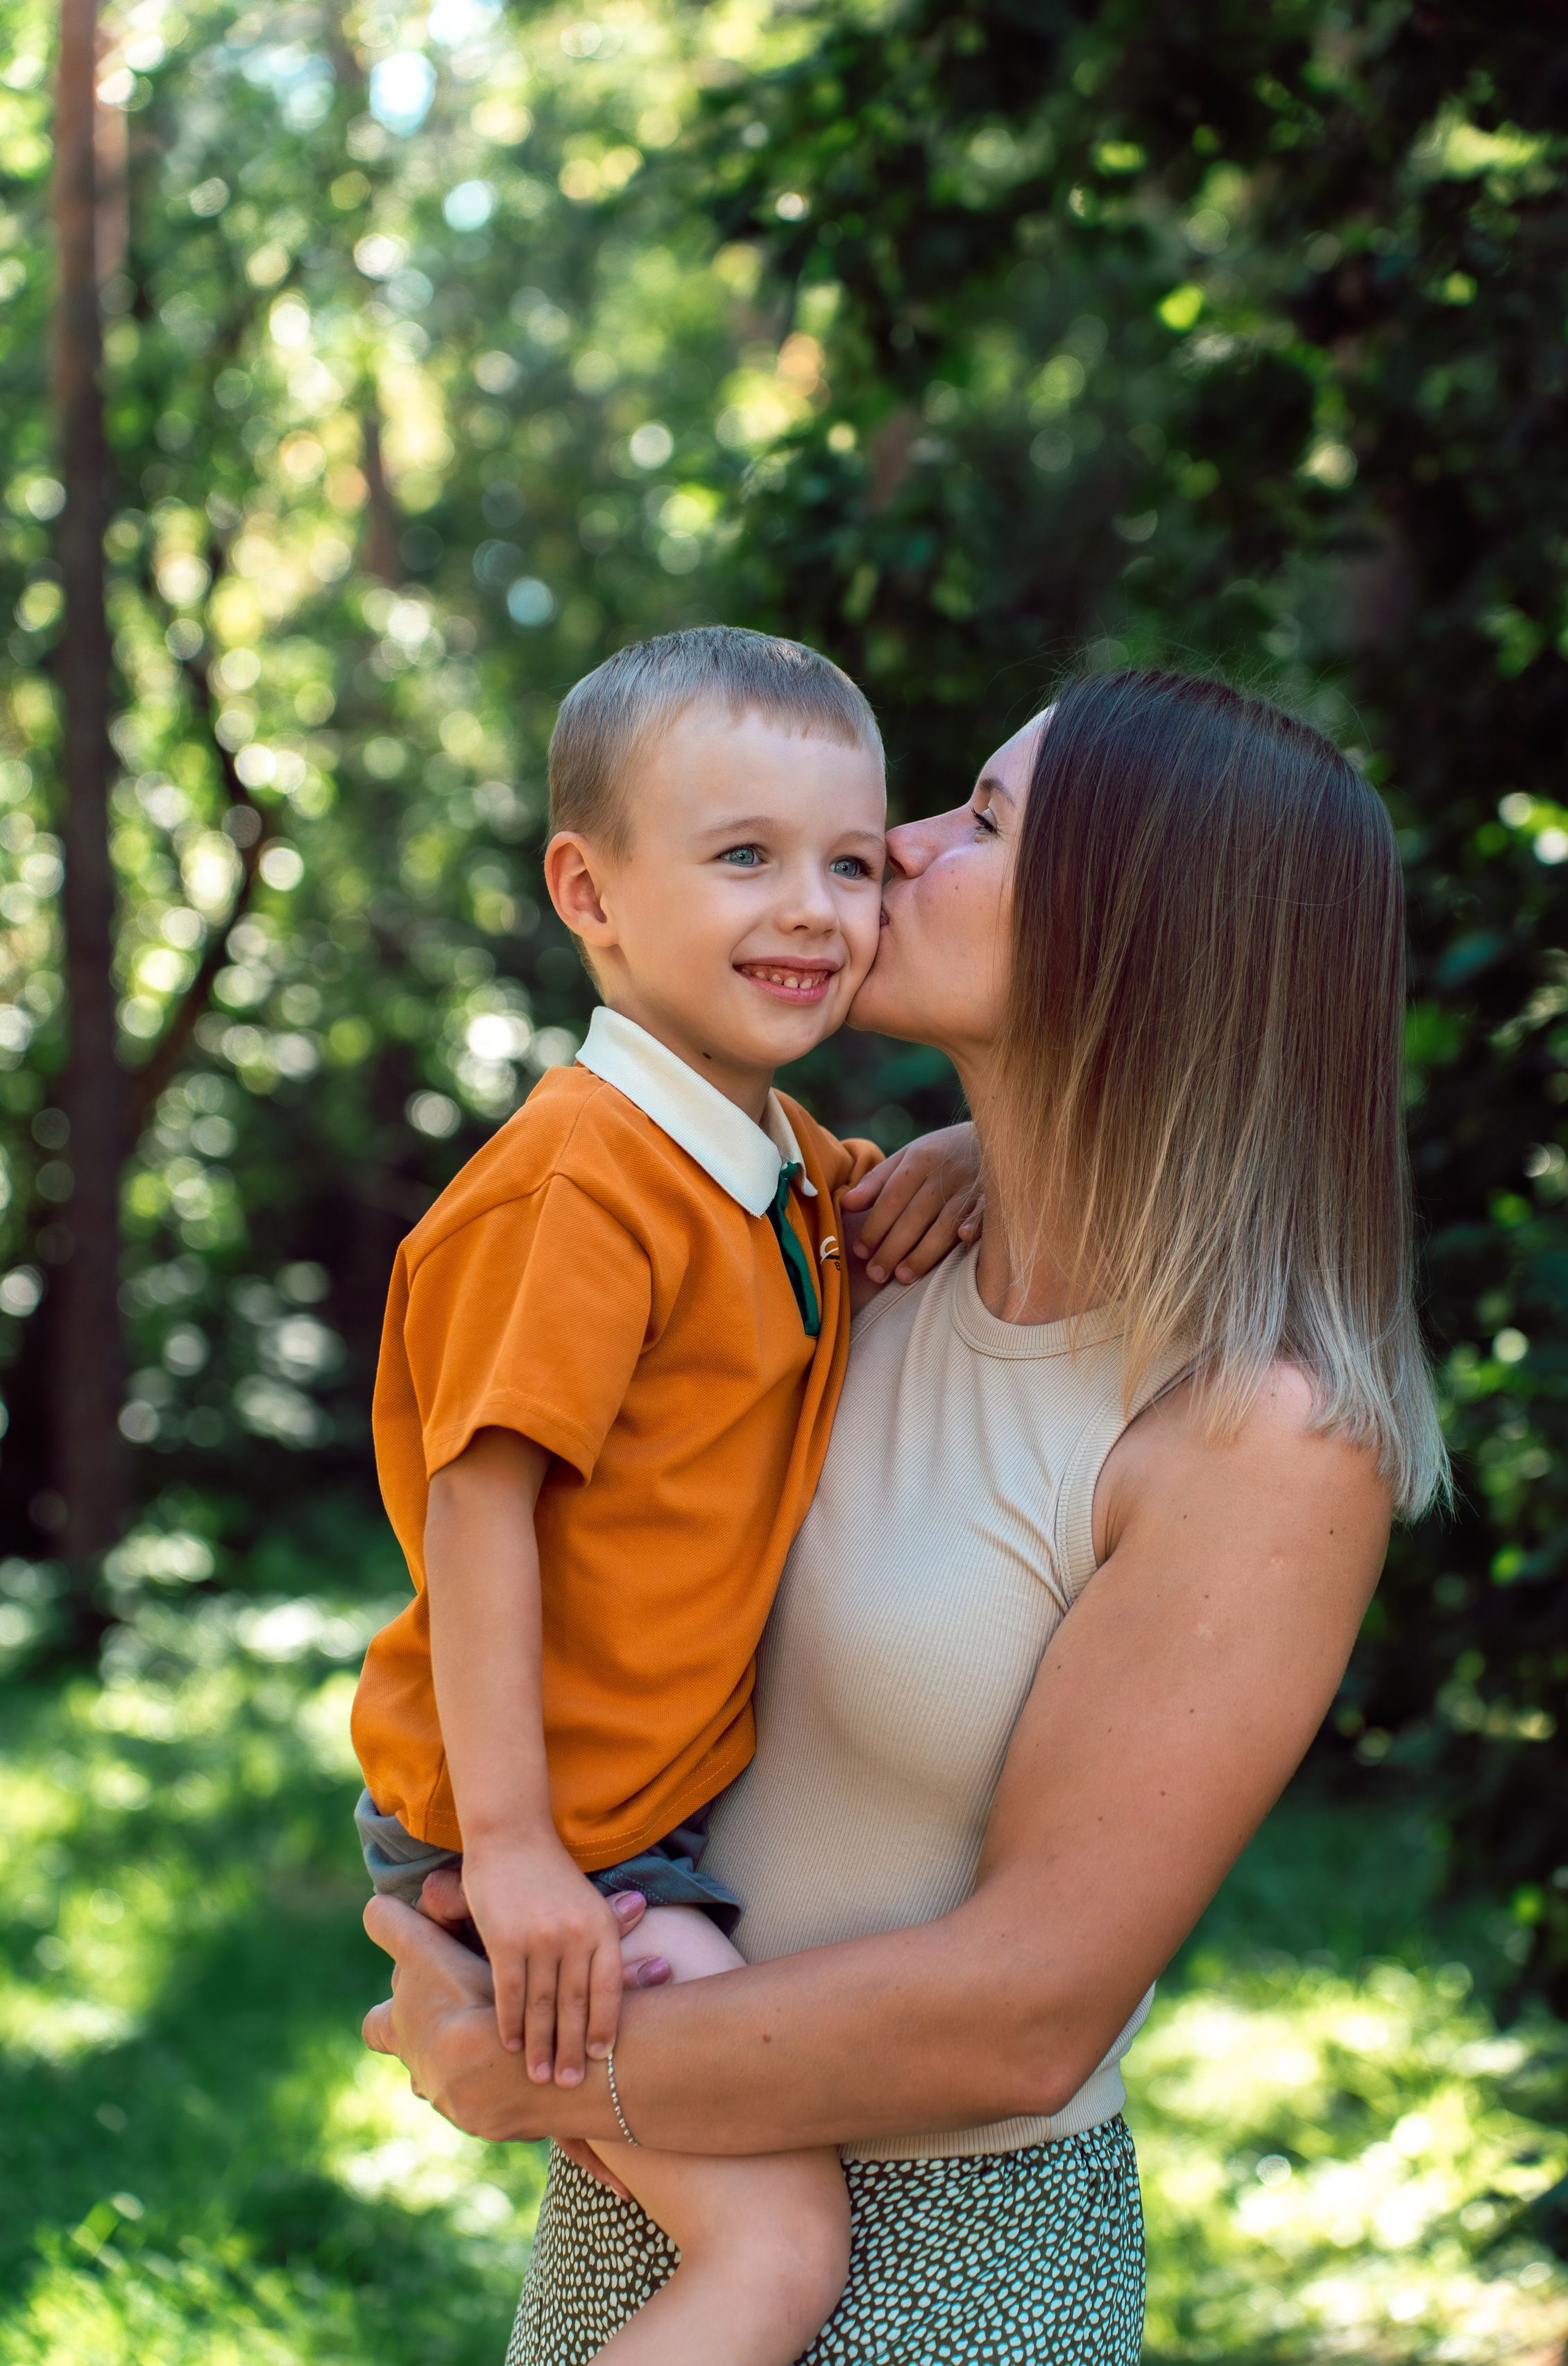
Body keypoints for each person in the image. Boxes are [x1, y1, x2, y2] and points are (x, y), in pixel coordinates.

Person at [364, 667, 1451, 2363]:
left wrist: (539, 2060)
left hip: (951, 2257)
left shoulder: (1258, 1435)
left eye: (984, 824)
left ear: (1133, 933)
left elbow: (1026, 2013)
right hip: (656, 2178)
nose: (895, 850)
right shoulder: (833, 1250)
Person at [350, 627, 983, 2365]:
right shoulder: (573, 1187)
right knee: (776, 2250)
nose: (813, 907)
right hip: (543, 1835)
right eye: (741, 856)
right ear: (590, 890)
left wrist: (966, 1148)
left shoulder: (773, 1166)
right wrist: (519, 1851)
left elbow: (885, 1228)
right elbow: (478, 1518)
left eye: (849, 863)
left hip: (623, 1821)